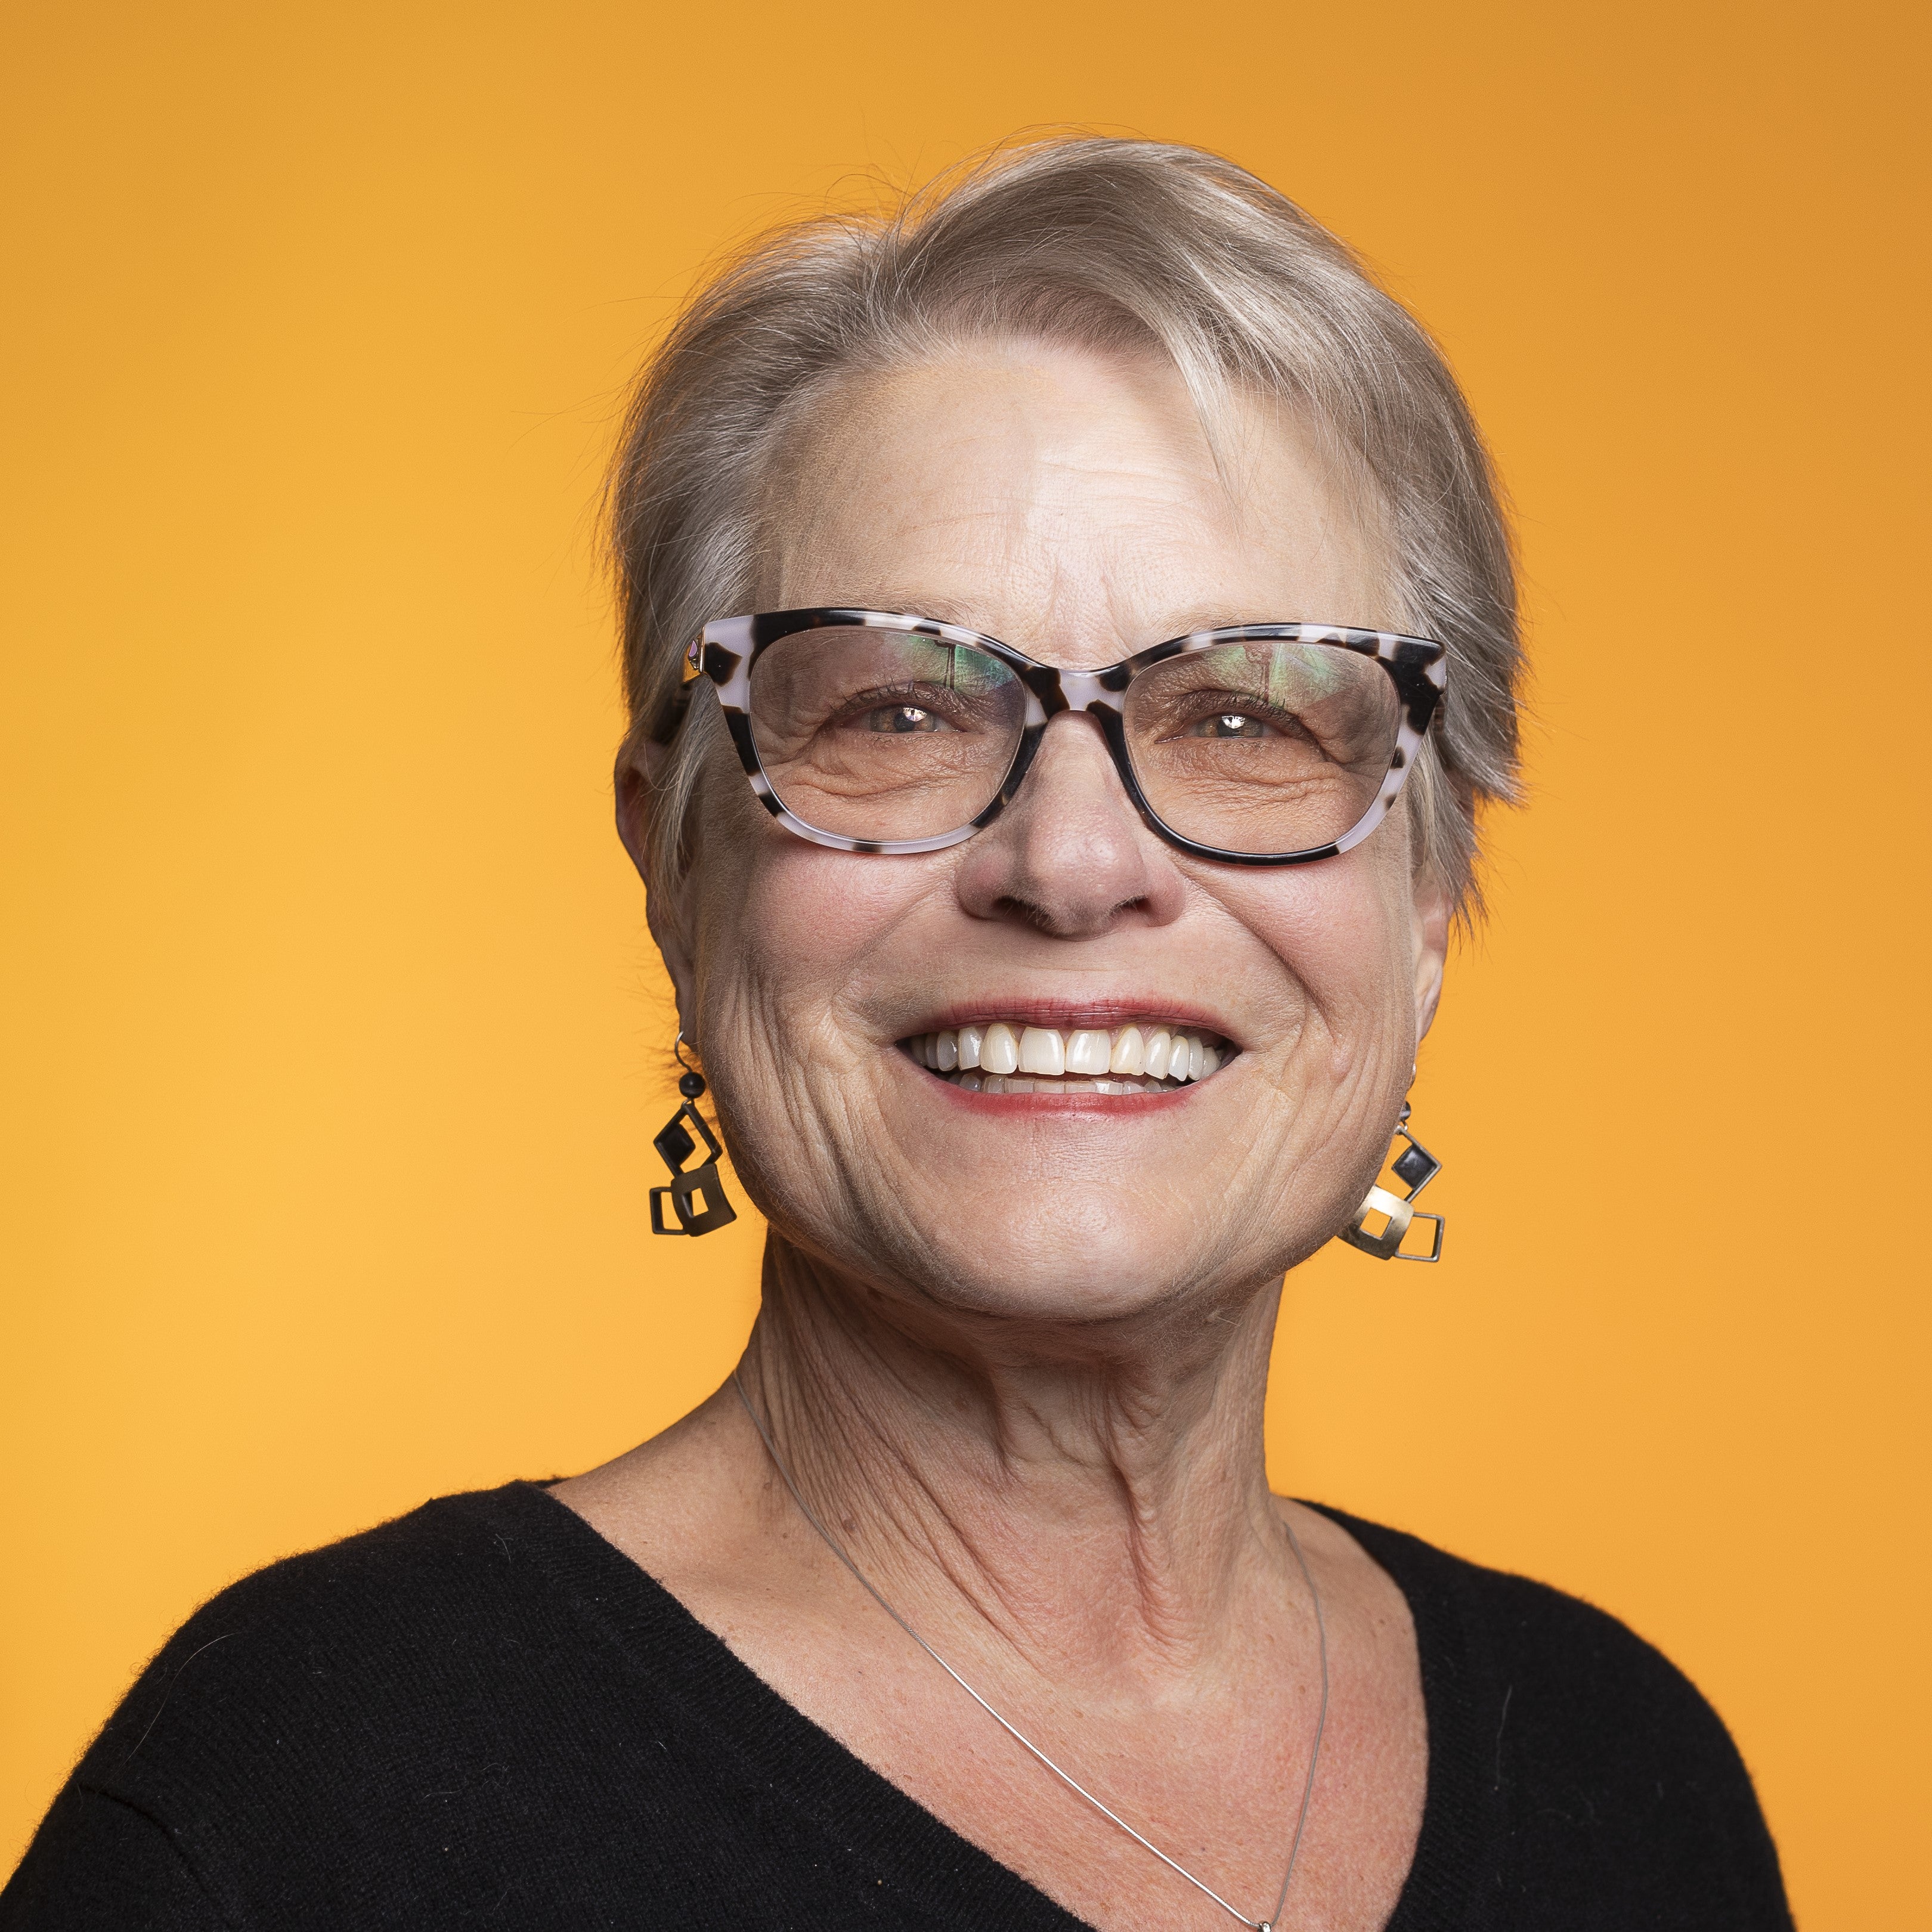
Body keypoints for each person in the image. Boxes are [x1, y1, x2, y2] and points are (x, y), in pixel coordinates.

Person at [1, 138, 1793, 1931]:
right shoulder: (292, 1815)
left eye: (1245, 718)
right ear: (678, 864)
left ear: (1424, 904)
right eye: (901, 709)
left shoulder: (1626, 1778)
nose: (1074, 862)